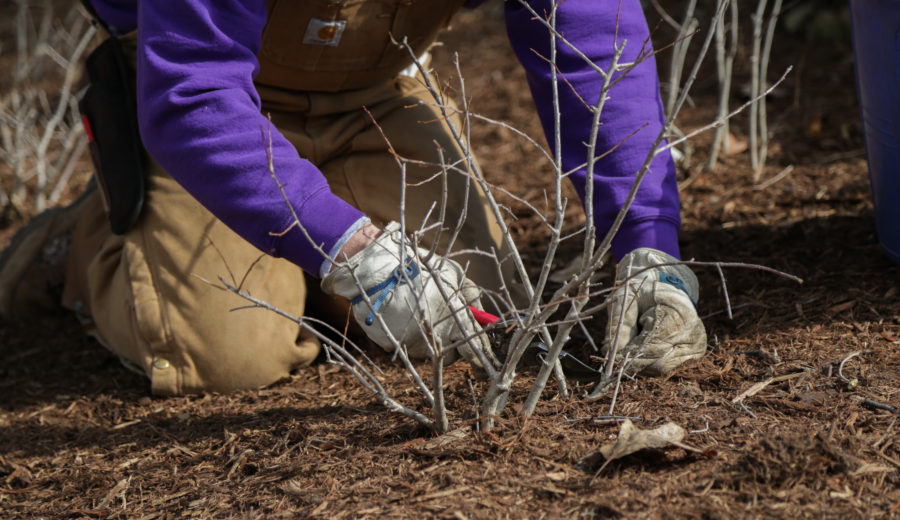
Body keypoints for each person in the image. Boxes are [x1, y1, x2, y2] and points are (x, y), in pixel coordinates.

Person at [0, 0, 706, 395]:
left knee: (474, 323)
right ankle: (87, 245)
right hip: (214, 100)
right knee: (226, 360)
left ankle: (299, 250)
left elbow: (588, 34)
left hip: (378, 87)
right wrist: (356, 254)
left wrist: (646, 240)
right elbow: (194, 91)